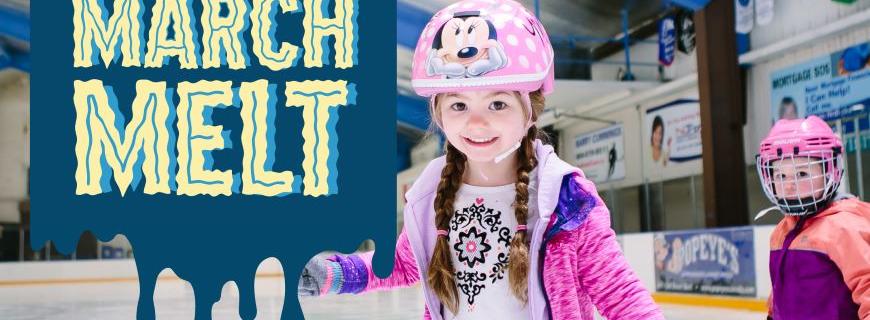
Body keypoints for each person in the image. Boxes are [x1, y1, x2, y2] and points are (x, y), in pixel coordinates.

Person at [297, 1, 663, 319]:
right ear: (439, 115)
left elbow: (621, 296)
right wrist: (335, 274)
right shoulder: (432, 192)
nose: (476, 122)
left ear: (531, 111)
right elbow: (405, 264)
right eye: (458, 105)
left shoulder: (566, 200)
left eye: (498, 103)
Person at [755, 116, 870, 320]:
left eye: (801, 173)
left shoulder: (843, 227)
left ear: (829, 172)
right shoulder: (781, 232)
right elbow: (781, 291)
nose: (789, 185)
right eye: (781, 176)